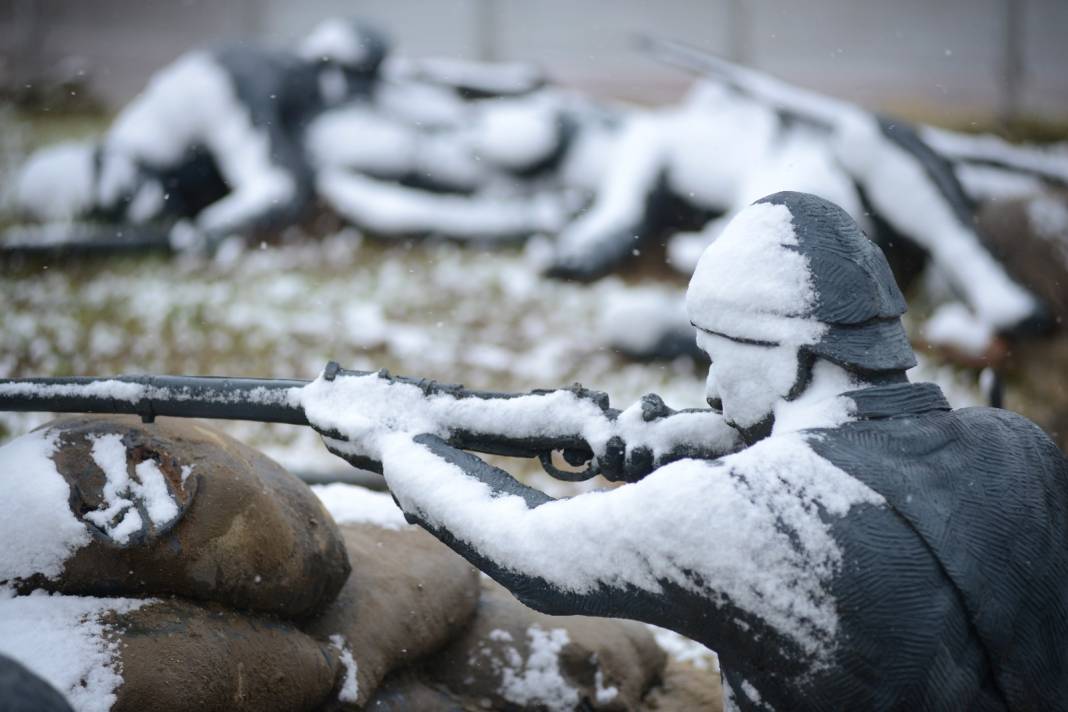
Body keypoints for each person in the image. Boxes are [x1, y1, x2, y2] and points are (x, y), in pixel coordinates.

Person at [311, 192, 1068, 709]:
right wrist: (682, 448)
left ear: (793, 354)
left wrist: (395, 440)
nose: (709, 390)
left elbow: (531, 548)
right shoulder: (1018, 448)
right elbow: (876, 458)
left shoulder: (749, 508)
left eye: (721, 355)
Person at [14, 18, 390, 244]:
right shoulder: (156, 143)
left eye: (122, 195)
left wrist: (205, 231)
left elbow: (275, 187)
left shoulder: (213, 90)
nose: (139, 210)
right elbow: (275, 188)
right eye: (112, 211)